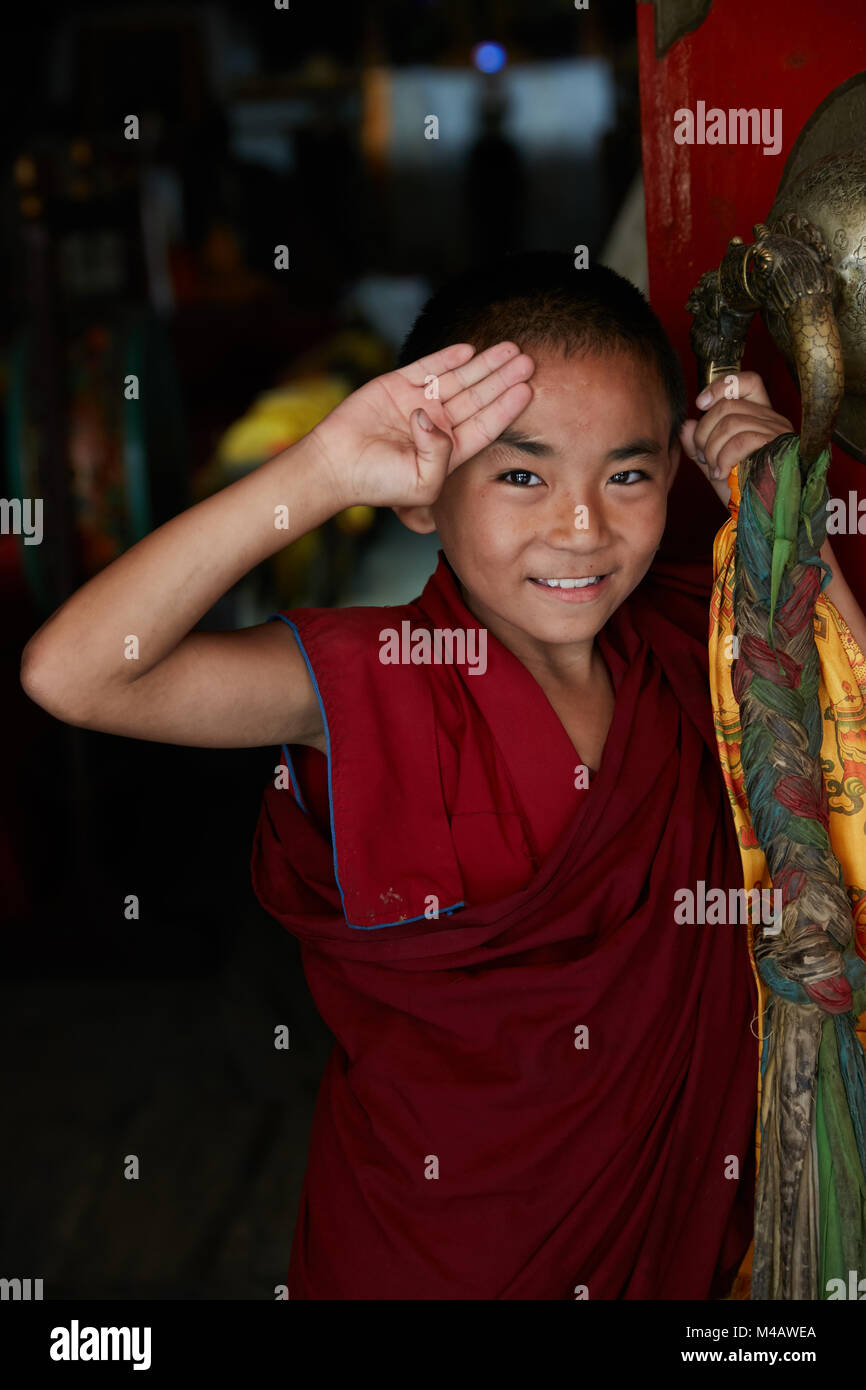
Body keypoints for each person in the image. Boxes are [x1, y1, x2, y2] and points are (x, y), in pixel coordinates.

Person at [21, 251, 866, 1300]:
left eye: (627, 473)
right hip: (435, 1253)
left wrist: (785, 512)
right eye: (520, 473)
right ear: (422, 494)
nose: (579, 527)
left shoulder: (700, 643)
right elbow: (76, 673)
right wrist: (321, 471)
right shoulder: (376, 679)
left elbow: (849, 748)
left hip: (676, 1244)